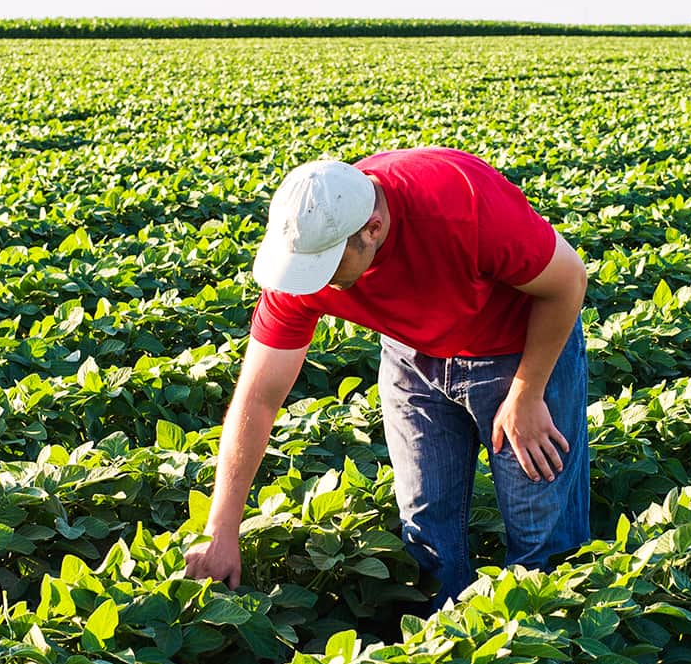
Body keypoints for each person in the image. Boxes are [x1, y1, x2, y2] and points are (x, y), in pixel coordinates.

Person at [183, 147, 591, 610]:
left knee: (542, 531)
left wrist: (527, 393)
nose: (313, 284)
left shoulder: (458, 205)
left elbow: (568, 281)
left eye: (327, 267)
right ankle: (445, 653)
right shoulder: (305, 256)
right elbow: (257, 399)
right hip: (412, 356)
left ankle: (548, 655)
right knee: (426, 528)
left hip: (518, 348)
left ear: (372, 229)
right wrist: (220, 526)